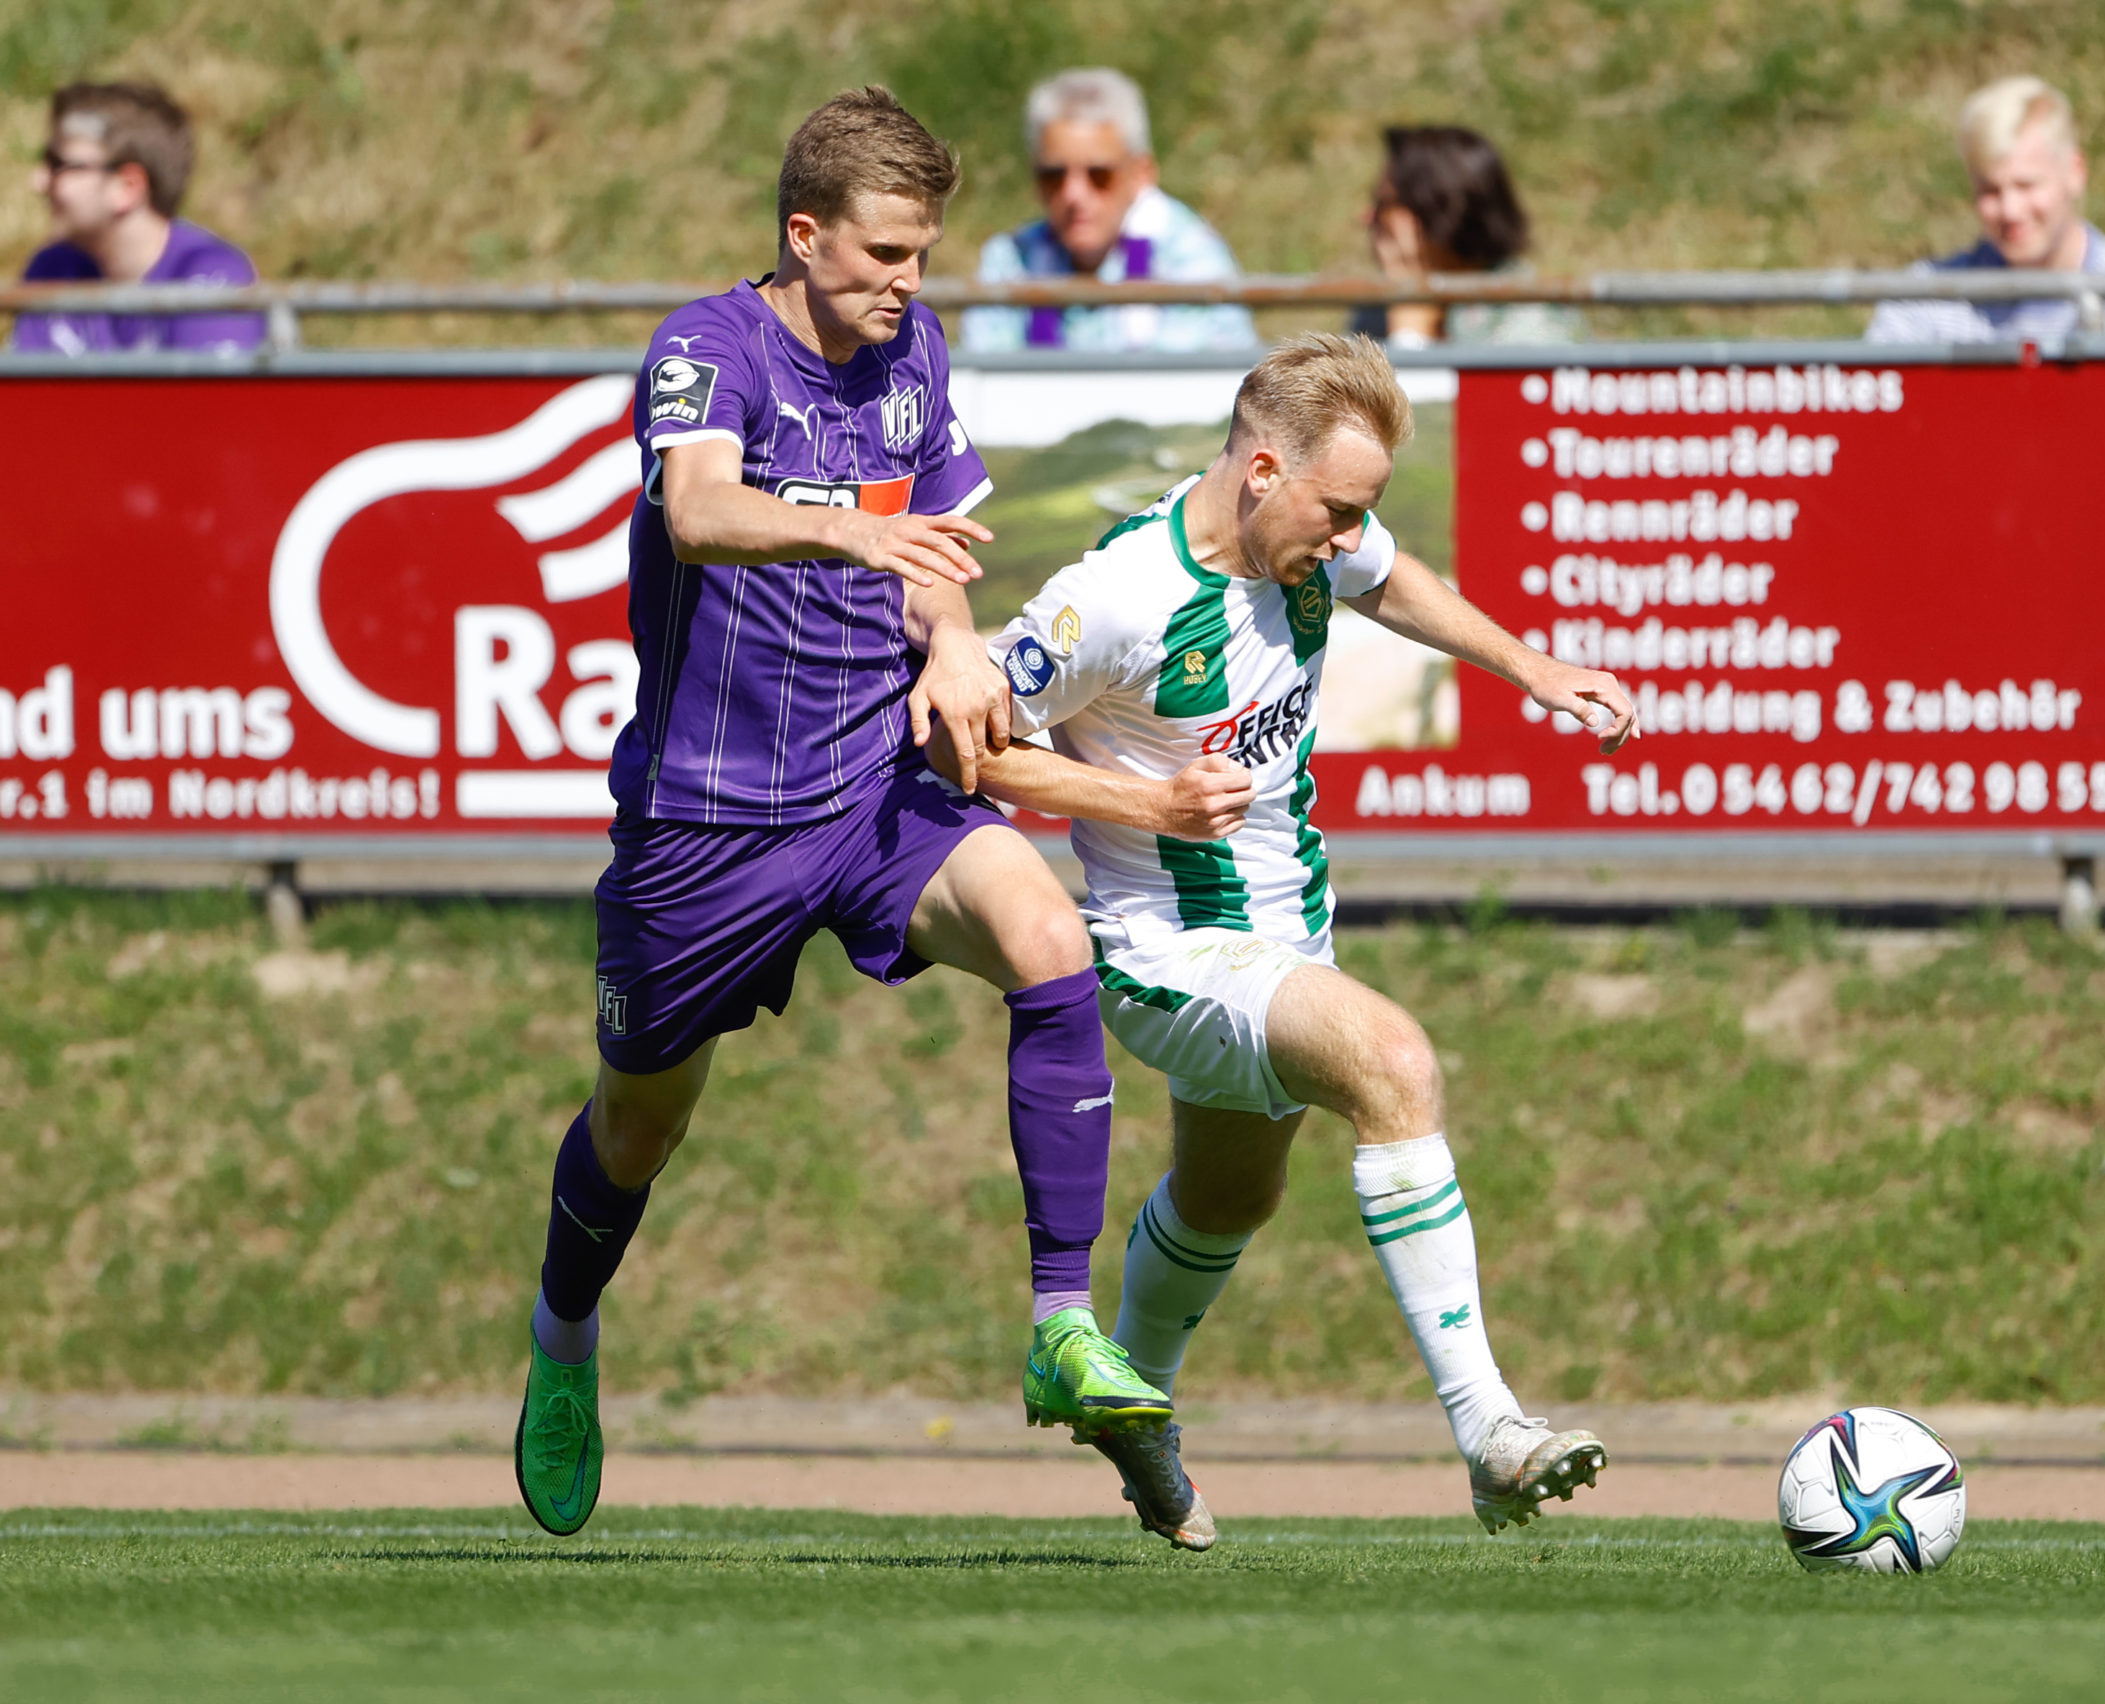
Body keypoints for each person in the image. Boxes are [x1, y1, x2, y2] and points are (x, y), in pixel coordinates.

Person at [512, 87, 1173, 1540]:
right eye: (882, 255)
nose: (907, 285)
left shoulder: (913, 348)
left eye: (923, 255)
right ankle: (566, 1335)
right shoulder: (708, 347)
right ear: (802, 235)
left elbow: (932, 542)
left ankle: (1062, 1323)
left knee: (1048, 935)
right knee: (638, 1124)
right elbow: (697, 510)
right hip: (710, 819)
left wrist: (947, 634)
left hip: (876, 783)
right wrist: (846, 526)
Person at [939, 333, 1636, 1548]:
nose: (1349, 535)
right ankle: (1488, 1429)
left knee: (1228, 1199)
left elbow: (1394, 578)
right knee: (1394, 1063)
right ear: (1263, 470)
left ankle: (1133, 1404)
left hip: (1283, 934)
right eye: (1337, 508)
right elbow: (973, 741)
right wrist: (1144, 804)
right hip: (1167, 950)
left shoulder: (1316, 538)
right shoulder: (1111, 599)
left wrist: (1531, 668)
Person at [1866, 76, 2105, 346]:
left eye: (2027, 185)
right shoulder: (1924, 299)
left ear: (2074, 173)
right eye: (1990, 191)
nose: (2010, 210)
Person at [964, 68, 1257, 353]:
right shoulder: (1010, 258)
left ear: (1141, 173)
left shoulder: (1190, 256)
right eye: (1054, 175)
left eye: (1098, 175)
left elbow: (1174, 391)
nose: (1073, 194)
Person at [12, 81, 262, 356]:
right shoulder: (52, 269)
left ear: (127, 188)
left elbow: (212, 399)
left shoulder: (212, 274)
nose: (37, 182)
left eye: (59, 165)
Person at [1352, 125, 1578, 348]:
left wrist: (1410, 328)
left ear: (1433, 211)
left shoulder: (1532, 324)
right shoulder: (1377, 314)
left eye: (1383, 204)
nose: (1366, 218)